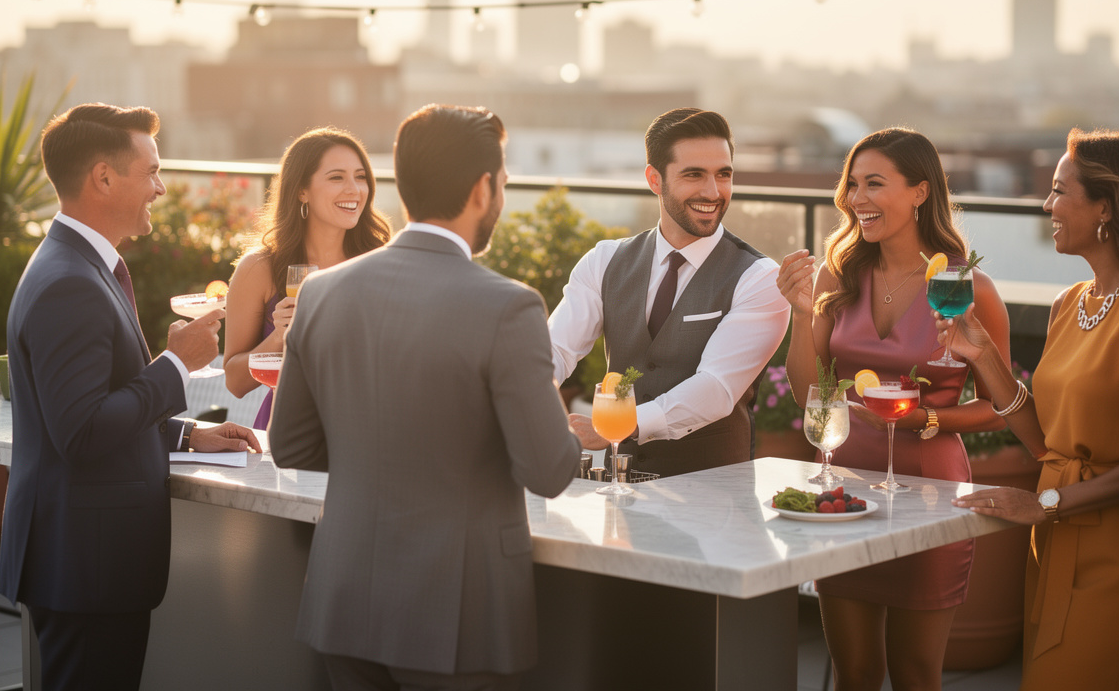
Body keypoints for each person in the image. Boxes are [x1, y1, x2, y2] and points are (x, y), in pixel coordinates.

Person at [269, 104, 581, 691]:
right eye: (505, 183)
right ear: (483, 188)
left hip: (345, 602)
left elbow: (291, 446)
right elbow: (548, 469)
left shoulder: (320, 294)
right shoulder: (508, 306)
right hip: (455, 616)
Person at [0, 103, 261, 691]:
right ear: (104, 178)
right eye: (152, 172)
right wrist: (176, 364)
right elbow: (84, 431)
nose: (161, 188)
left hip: (82, 560)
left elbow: (99, 405)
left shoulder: (79, 264)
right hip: (86, 564)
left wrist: (191, 434)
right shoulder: (71, 281)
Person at [944, 128, 1119, 690]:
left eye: (1061, 191)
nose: (1047, 204)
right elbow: (1046, 443)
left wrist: (1046, 502)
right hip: (1056, 537)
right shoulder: (1070, 303)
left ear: (1107, 206)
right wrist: (983, 356)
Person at [777, 128, 1011, 691]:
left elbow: (1003, 407)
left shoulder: (966, 286)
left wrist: (927, 420)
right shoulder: (839, 276)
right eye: (852, 184)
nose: (857, 198)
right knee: (855, 674)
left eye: (875, 184)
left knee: (915, 674)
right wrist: (801, 314)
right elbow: (809, 393)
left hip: (931, 492)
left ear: (920, 192)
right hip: (842, 486)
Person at [547, 107, 790, 477]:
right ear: (654, 179)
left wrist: (619, 424)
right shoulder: (604, 262)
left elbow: (716, 389)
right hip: (621, 495)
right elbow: (554, 349)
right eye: (694, 175)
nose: (713, 192)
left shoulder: (758, 278)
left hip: (714, 502)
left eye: (723, 175)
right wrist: (538, 401)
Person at [223, 127, 391, 425]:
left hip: (368, 428)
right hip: (291, 432)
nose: (354, 189)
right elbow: (236, 382)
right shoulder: (258, 269)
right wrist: (279, 337)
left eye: (361, 176)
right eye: (337, 177)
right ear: (302, 189)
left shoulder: (381, 263)